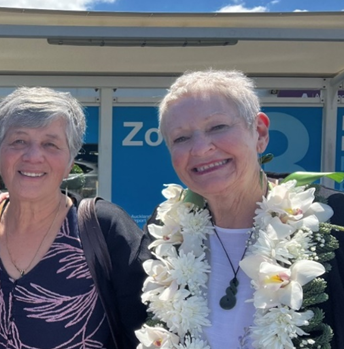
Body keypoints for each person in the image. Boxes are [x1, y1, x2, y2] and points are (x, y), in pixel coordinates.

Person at [136, 70, 344, 349]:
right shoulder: (167, 232)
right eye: (181, 138)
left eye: (217, 127)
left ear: (259, 132)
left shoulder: (333, 218)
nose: (200, 148)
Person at [0, 87, 151, 348]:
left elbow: (150, 328)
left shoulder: (103, 228)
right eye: (19, 141)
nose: (33, 156)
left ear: (70, 160)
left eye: (50, 144)